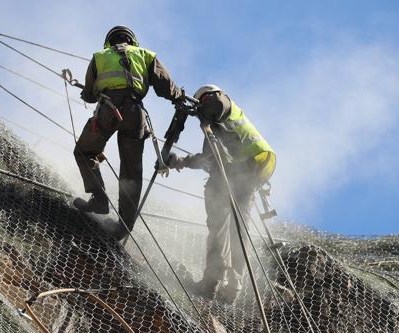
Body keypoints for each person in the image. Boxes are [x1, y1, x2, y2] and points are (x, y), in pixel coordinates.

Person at [164, 85, 276, 304]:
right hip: (249, 174)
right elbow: (209, 158)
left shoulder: (219, 103)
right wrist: (181, 162)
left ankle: (211, 282)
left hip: (233, 175)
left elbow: (216, 104)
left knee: (219, 228)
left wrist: (199, 111)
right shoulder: (222, 128)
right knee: (238, 232)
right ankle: (232, 287)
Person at [73, 25, 183, 240]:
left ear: (109, 41)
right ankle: (124, 226)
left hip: (108, 110)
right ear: (133, 41)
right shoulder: (146, 55)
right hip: (135, 114)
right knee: (131, 173)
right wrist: (179, 97)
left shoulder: (99, 57)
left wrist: (89, 92)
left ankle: (99, 198)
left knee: (84, 151)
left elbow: (89, 95)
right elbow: (166, 87)